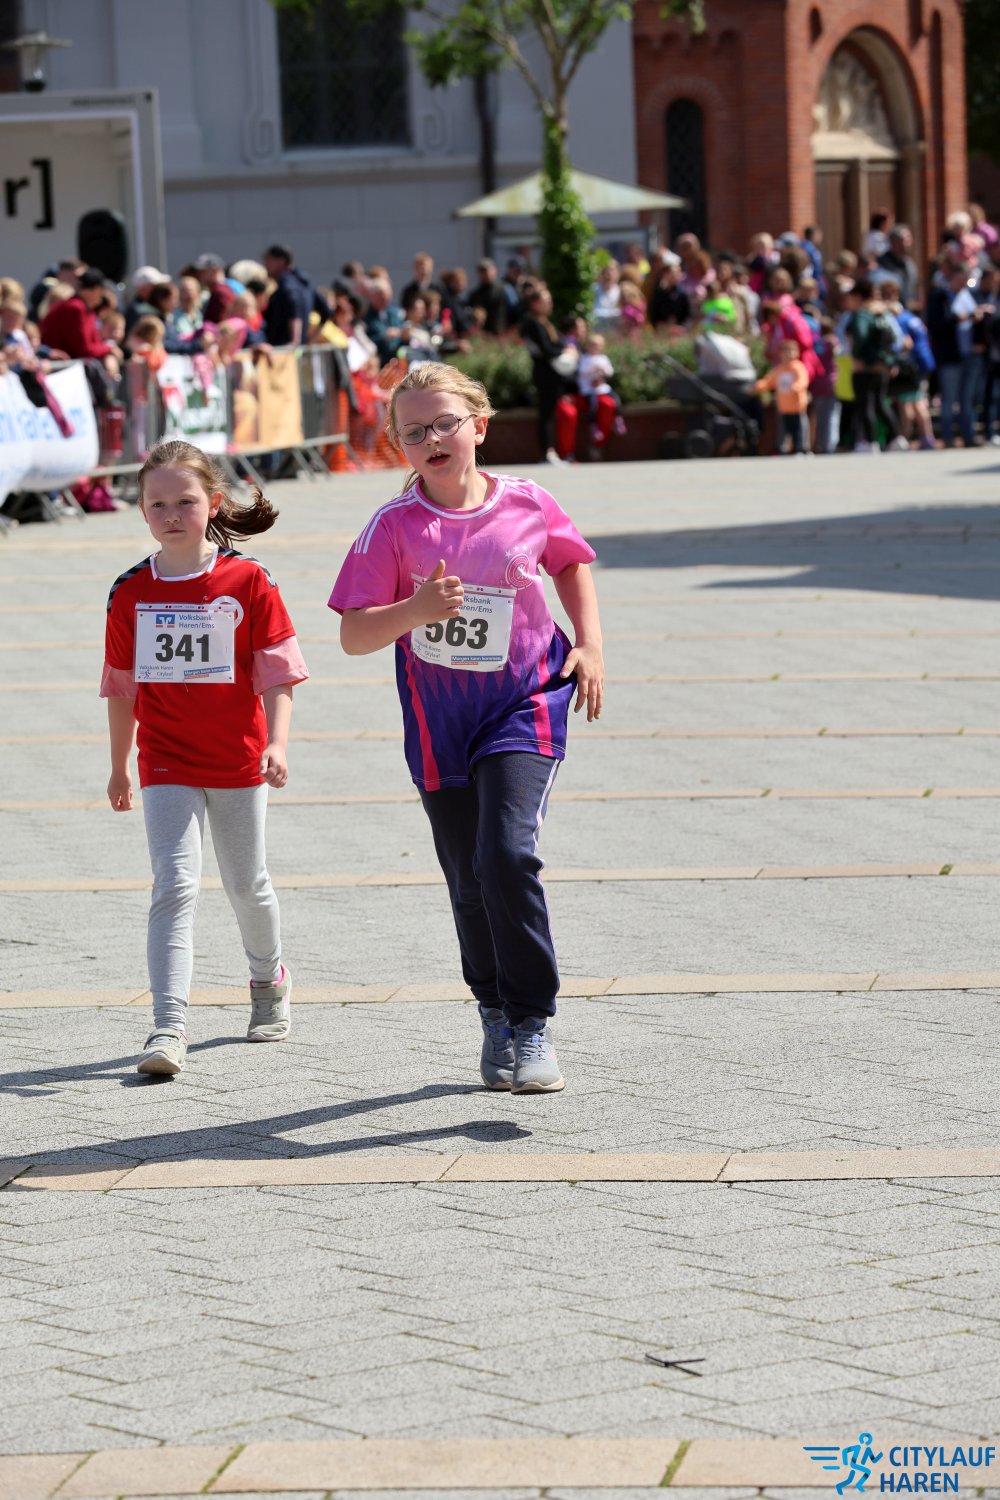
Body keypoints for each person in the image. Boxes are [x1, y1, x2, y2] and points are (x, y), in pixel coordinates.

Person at [328, 362, 604, 1093]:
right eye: (413, 431)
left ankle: (533, 1018)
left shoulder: (528, 502)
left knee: (506, 854)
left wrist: (590, 643)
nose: (431, 439)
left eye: (444, 423)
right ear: (400, 445)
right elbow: (354, 635)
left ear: (478, 426)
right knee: (468, 878)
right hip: (439, 722)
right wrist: (414, 611)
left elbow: (571, 563)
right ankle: (494, 1012)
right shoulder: (393, 527)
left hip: (524, 704)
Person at [101, 439, 309, 1075]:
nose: (171, 515)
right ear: (142, 510)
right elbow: (121, 686)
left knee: (247, 883)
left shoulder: (249, 581)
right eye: (157, 504)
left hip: (239, 759)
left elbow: (278, 671)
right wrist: (120, 763)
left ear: (213, 503)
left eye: (185, 502)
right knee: (174, 884)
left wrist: (277, 741)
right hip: (165, 759)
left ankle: (268, 981)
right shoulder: (130, 591)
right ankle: (168, 1027)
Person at [519, 284, 575, 464]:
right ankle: (547, 453)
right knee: (546, 413)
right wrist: (564, 351)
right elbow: (546, 350)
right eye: (546, 300)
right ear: (534, 303)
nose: (550, 304)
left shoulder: (545, 322)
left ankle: (552, 452)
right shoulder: (532, 323)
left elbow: (558, 343)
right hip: (544, 374)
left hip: (553, 374)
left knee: (551, 413)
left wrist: (568, 348)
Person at [927, 264, 980, 448]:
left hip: (970, 355)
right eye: (960, 280)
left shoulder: (968, 296)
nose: (963, 283)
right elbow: (935, 325)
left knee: (967, 399)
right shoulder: (939, 297)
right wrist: (957, 319)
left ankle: (968, 436)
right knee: (949, 399)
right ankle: (948, 437)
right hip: (949, 356)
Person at [756, 338, 810, 454]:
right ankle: (783, 449)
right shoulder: (779, 370)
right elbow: (769, 381)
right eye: (786, 351)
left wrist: (795, 387)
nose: (789, 354)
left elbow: (803, 381)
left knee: (799, 429)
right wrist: (756, 386)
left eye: (792, 351)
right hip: (784, 407)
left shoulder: (798, 367)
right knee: (784, 430)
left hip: (797, 406)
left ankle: (801, 449)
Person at [577, 332, 625, 438]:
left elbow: (610, 372)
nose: (594, 348)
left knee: (615, 399)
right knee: (593, 405)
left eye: (597, 346)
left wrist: (603, 370)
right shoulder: (584, 358)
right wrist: (594, 367)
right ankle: (593, 425)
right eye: (592, 345)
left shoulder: (603, 358)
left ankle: (618, 419)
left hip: (602, 388)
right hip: (589, 389)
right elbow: (582, 371)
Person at [878, 225, 920, 309]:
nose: (909, 243)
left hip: (908, 310)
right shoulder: (881, 263)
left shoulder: (909, 263)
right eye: (906, 240)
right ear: (895, 242)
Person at [466, 258, 508, 336]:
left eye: (488, 271)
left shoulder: (504, 290)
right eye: (483, 272)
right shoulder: (476, 294)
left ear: (495, 271)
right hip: (483, 334)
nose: (486, 274)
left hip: (502, 333)